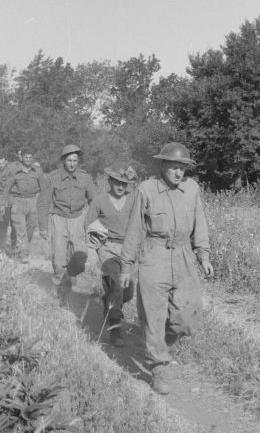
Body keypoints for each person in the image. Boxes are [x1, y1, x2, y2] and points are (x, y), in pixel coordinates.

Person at [119, 143, 214, 395]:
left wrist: (203, 255)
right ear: (162, 166)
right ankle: (159, 367)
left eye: (182, 168)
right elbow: (134, 231)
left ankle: (161, 345)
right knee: (154, 316)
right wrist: (127, 267)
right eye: (173, 167)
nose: (178, 173)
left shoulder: (192, 189)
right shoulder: (146, 190)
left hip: (184, 256)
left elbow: (200, 223)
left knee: (186, 318)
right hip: (154, 255)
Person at [85, 162, 138, 346]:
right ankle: (115, 329)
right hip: (107, 250)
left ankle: (109, 302)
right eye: (117, 182)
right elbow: (88, 225)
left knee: (128, 293)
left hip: (129, 251)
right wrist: (92, 251)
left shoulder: (133, 199)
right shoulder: (99, 201)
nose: (121, 186)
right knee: (116, 286)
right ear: (109, 181)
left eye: (124, 183)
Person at [38, 144, 95, 302]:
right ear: (63, 160)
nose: (72, 163)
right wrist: (43, 227)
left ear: (78, 161)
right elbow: (43, 202)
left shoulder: (85, 177)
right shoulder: (53, 177)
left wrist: (95, 223)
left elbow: (95, 201)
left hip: (79, 218)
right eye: (69, 160)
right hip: (59, 218)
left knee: (80, 255)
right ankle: (60, 288)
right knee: (59, 256)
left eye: (75, 160)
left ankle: (70, 276)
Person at [2, 148, 48, 263]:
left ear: (32, 158)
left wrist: (45, 203)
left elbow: (44, 189)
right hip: (18, 202)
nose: (28, 159)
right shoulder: (14, 172)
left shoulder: (38, 171)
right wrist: (3, 203)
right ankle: (24, 254)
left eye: (30, 157)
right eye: (25, 157)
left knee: (31, 229)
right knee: (21, 231)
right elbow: (7, 188)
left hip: (33, 202)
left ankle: (20, 247)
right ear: (21, 158)